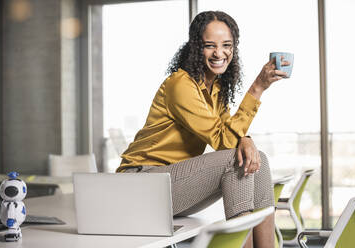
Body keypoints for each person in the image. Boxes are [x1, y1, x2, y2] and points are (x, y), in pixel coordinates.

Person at [116, 10, 289, 247]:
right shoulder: (181, 85)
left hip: (170, 185)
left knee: (259, 160)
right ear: (197, 48)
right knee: (236, 160)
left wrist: (245, 138)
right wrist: (257, 87)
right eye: (210, 46)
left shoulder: (215, 88)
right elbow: (225, 140)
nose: (219, 53)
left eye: (226, 45)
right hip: (140, 183)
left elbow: (231, 132)